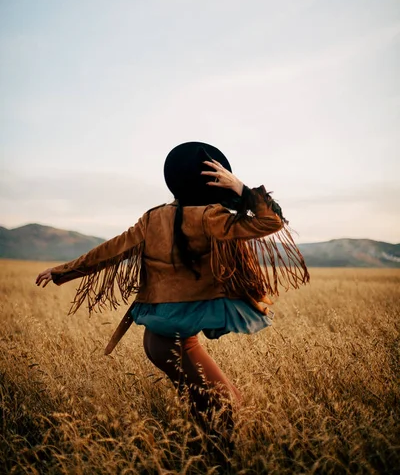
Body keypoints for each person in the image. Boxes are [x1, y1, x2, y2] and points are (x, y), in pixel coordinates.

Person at [36, 141, 310, 449]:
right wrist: (240, 187)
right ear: (211, 183)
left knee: (209, 405)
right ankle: (218, 462)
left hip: (158, 339)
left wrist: (63, 271)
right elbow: (270, 221)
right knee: (227, 406)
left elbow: (110, 250)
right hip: (175, 340)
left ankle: (200, 454)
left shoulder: (153, 218)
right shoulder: (209, 217)